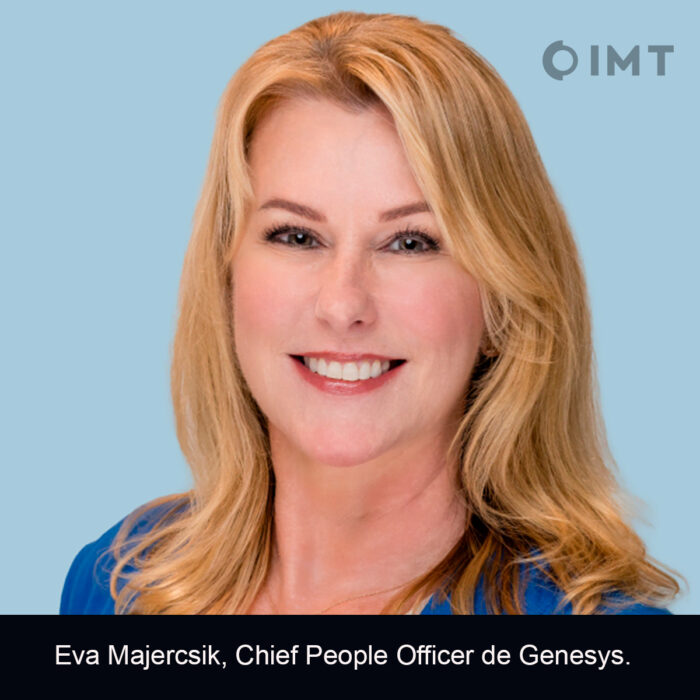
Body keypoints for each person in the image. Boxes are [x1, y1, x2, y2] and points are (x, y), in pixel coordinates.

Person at [61, 11, 680, 615]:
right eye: (296, 236)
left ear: (503, 301)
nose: (342, 304)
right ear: (226, 277)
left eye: (410, 242)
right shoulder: (115, 583)